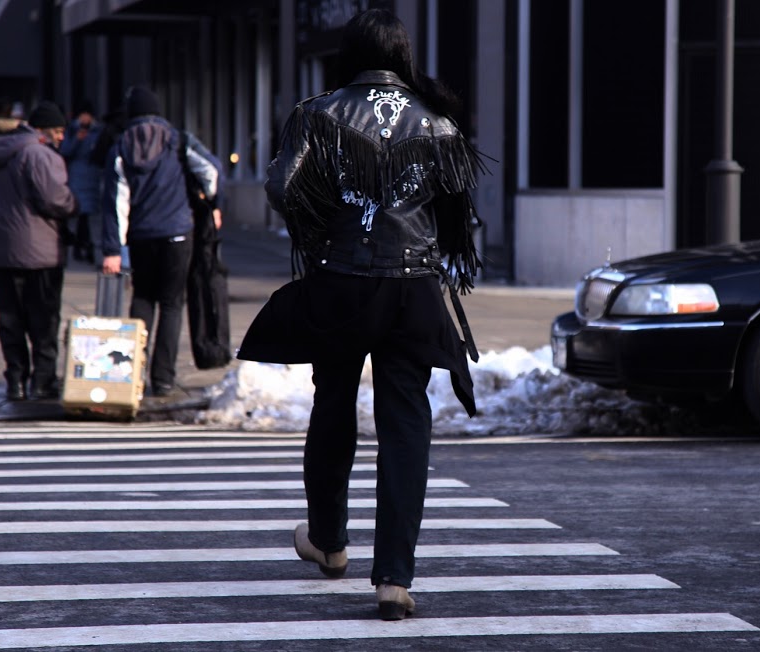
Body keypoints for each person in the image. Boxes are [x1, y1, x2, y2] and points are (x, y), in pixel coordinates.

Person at [236, 8, 485, 621]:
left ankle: (328, 542)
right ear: (403, 55)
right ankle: (395, 579)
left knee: (333, 404)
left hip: (341, 280)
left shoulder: (317, 113)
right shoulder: (440, 121)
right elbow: (459, 213)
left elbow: (280, 187)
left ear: (348, 54)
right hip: (414, 290)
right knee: (406, 427)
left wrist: (323, 225)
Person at [100, 86, 222, 397]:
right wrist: (208, 197)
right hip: (178, 234)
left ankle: (133, 371)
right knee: (172, 303)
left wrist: (113, 248)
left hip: (141, 236)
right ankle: (164, 378)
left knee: (142, 298)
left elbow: (117, 201)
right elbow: (210, 169)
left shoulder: (121, 147)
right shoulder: (177, 139)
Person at [0, 101, 79, 401]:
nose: (62, 137)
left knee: (10, 318)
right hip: (39, 252)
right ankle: (43, 381)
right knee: (44, 319)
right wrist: (75, 205)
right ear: (43, 130)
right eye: (59, 131)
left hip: (0, 250)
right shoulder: (39, 153)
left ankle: (16, 380)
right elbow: (55, 199)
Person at [60, 99, 103, 263]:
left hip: (92, 176)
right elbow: (65, 151)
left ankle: (84, 245)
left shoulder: (97, 131)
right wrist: (77, 139)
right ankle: (83, 245)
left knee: (87, 215)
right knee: (81, 213)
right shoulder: (72, 130)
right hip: (77, 175)